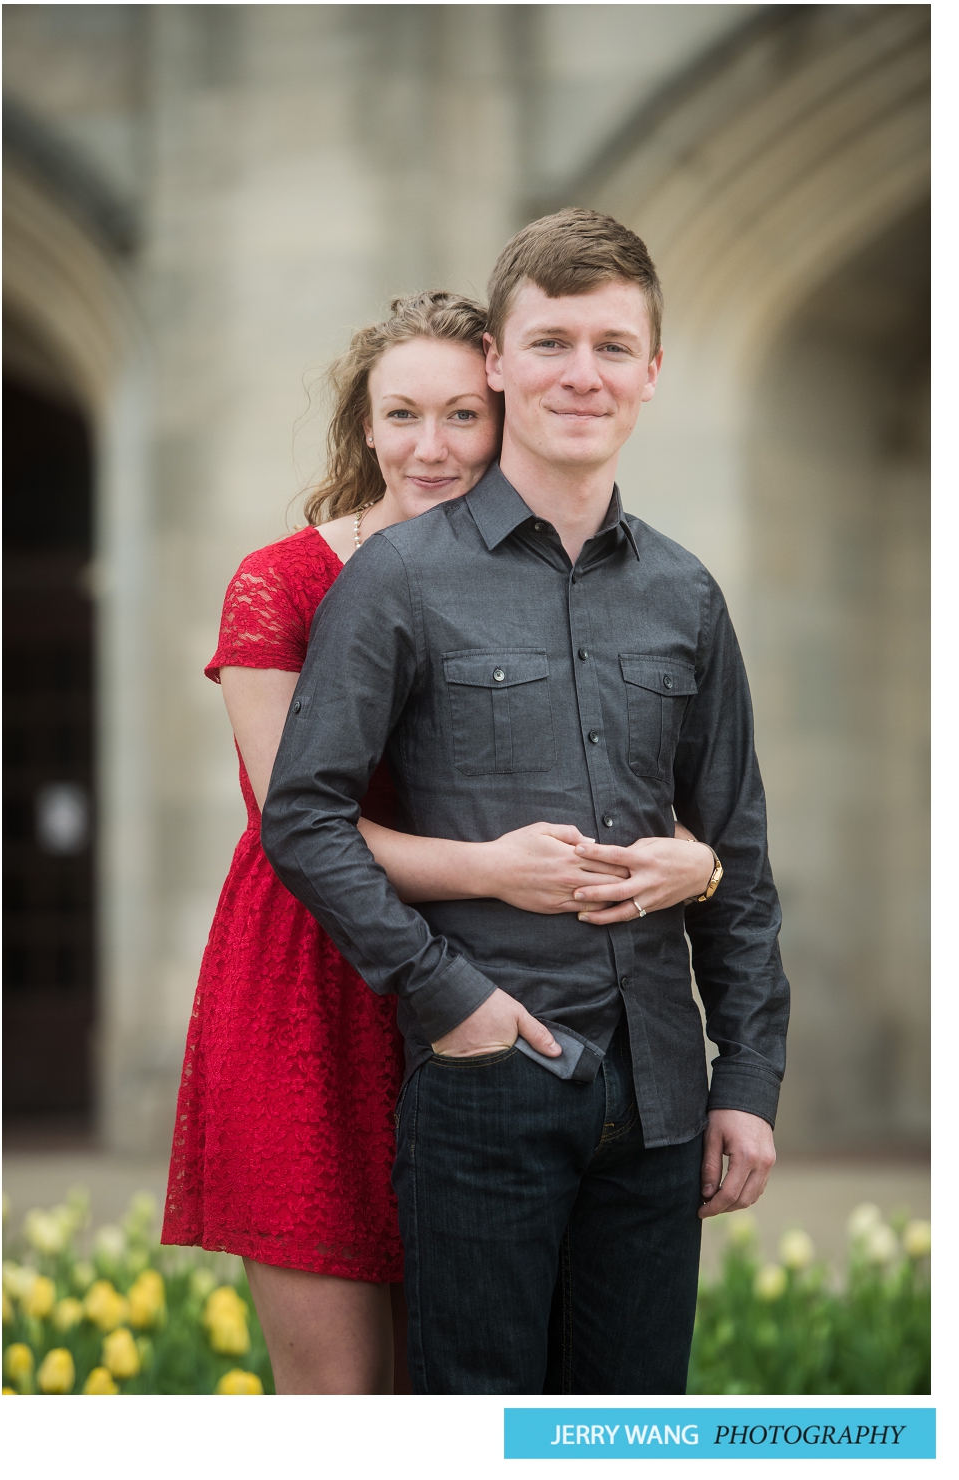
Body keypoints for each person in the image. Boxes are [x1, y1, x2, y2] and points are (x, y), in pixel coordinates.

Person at [261, 211, 787, 1394]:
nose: (581, 374)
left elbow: (736, 848)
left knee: (630, 1428)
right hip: (487, 1078)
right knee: (478, 1427)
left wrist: (746, 1081)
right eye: (551, 342)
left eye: (612, 346)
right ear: (498, 362)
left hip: (661, 1095)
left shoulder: (687, 594)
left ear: (653, 373)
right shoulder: (398, 580)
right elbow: (304, 817)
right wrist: (453, 1001)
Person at [162, 291, 716, 1393]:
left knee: (472, 1373)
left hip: (507, 968)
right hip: (318, 982)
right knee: (346, 1397)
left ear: (504, 409)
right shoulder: (284, 580)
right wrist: (495, 870)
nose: (433, 447)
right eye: (402, 415)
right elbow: (295, 822)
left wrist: (692, 859)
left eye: (463, 416)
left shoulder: (570, 566)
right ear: (364, 426)